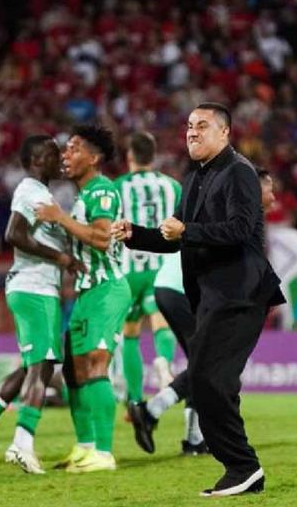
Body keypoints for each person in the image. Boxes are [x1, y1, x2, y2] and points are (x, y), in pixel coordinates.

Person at [112, 103, 285, 497]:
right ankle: (243, 469)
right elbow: (174, 237)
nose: (192, 132)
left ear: (224, 133)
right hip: (212, 295)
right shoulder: (194, 177)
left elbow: (241, 229)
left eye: (202, 126)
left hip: (241, 293)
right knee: (209, 381)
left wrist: (187, 229)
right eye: (189, 126)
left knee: (209, 381)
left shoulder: (239, 171)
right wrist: (135, 234)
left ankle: (242, 467)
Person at [125, 166, 278, 458]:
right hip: (182, 288)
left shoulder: (242, 219)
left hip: (173, 287)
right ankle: (156, 414)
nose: (273, 196)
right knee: (206, 363)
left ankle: (186, 432)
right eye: (269, 188)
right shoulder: (235, 219)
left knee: (203, 362)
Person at [35, 125, 132, 472]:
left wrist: (59, 217)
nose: (65, 155)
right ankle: (85, 446)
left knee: (95, 364)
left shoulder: (102, 191)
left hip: (107, 291)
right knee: (74, 373)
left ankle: (103, 453)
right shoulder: (81, 196)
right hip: (86, 293)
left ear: (94, 158)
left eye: (74, 149)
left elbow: (103, 239)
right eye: (66, 149)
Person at [0, 135, 84, 473]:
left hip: (35, 287)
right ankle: (22, 443)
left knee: (32, 367)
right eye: (51, 153)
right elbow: (14, 234)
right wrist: (60, 257)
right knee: (43, 365)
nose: (58, 156)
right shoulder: (30, 190)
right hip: (33, 287)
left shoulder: (42, 193)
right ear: (35, 160)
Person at [114, 131, 182, 406]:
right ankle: (164, 362)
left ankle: (133, 399)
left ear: (129, 155)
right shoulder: (173, 186)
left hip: (130, 269)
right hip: (162, 267)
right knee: (161, 323)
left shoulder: (118, 186)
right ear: (153, 156)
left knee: (130, 333)